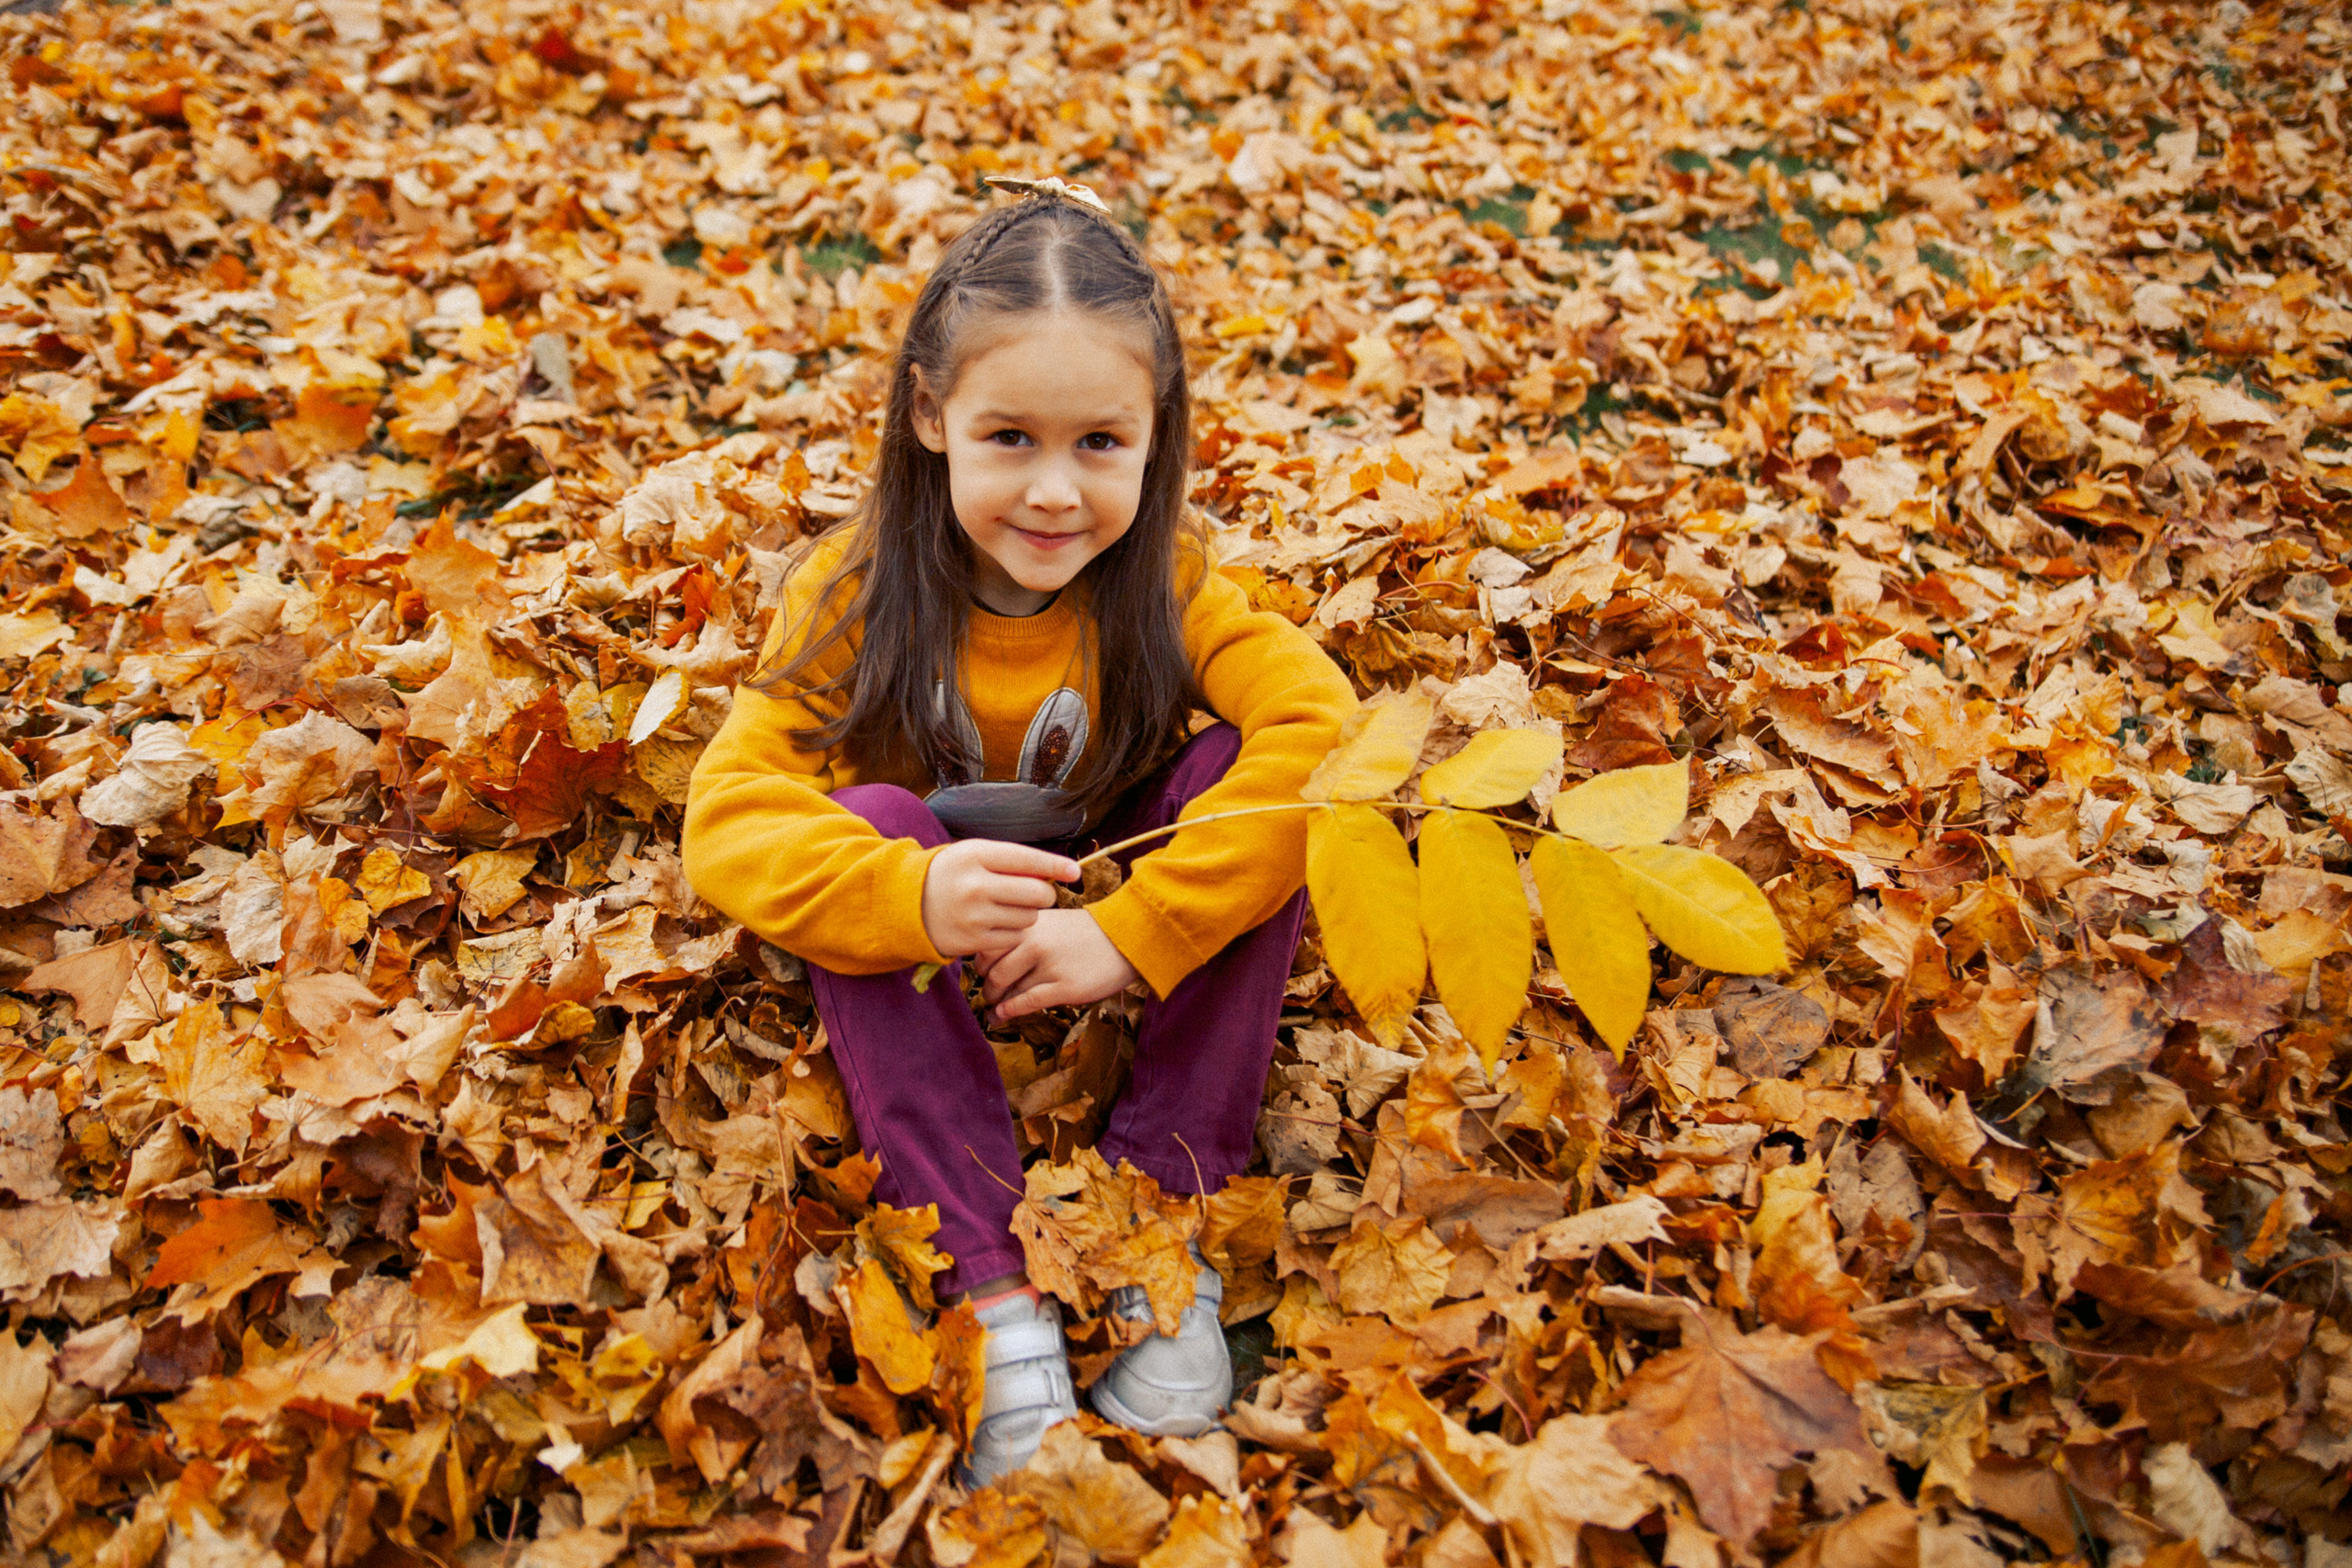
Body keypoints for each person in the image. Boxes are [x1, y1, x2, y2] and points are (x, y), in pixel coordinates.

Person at [682, 179, 1357, 1484]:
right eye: (1011, 438)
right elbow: (731, 808)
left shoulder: (1165, 583)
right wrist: (907, 894)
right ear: (934, 417)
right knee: (862, 819)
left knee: (1245, 770)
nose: (1055, 493)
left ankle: (1163, 1221)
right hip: (933, 947)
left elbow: (1319, 735)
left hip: (1105, 928)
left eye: (1101, 443)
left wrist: (1138, 927)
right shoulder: (859, 590)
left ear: (1158, 439)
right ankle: (993, 1294)